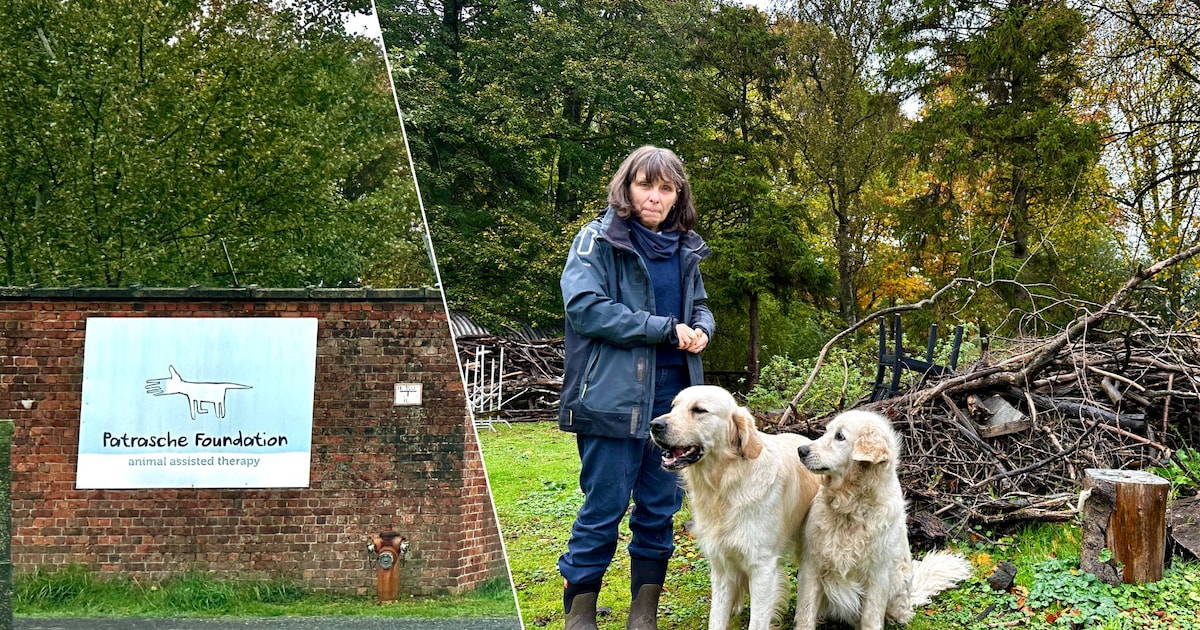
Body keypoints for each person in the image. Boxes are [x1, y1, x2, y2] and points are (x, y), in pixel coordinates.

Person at [557, 145, 714, 630]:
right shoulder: (596, 241)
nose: (655, 196)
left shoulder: (686, 249)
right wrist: (662, 328)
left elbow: (701, 305)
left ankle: (642, 615)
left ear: (677, 196)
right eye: (646, 184)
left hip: (677, 402)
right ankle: (580, 616)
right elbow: (585, 307)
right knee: (603, 506)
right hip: (613, 398)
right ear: (627, 187)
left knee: (659, 509)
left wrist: (703, 327)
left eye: (666, 188)